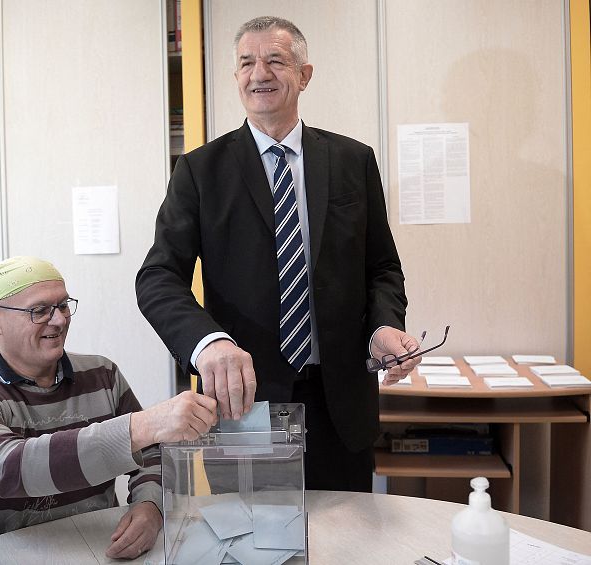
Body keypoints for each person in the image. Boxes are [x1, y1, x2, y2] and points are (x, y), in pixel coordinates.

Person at [136, 16, 420, 492]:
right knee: (252, 544)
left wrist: (385, 324)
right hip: (244, 402)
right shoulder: (200, 170)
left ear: (304, 75)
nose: (258, 73)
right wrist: (209, 344)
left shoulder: (354, 160)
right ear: (236, 78)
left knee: (346, 541)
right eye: (246, 63)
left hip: (341, 402)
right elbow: (158, 276)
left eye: (274, 60)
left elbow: (382, 267)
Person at [0, 256, 217, 557]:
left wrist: (150, 506)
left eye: (63, 305)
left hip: (95, 549)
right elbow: (14, 469)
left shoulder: (103, 376)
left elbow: (151, 454)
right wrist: (142, 426)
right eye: (39, 311)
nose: (59, 320)